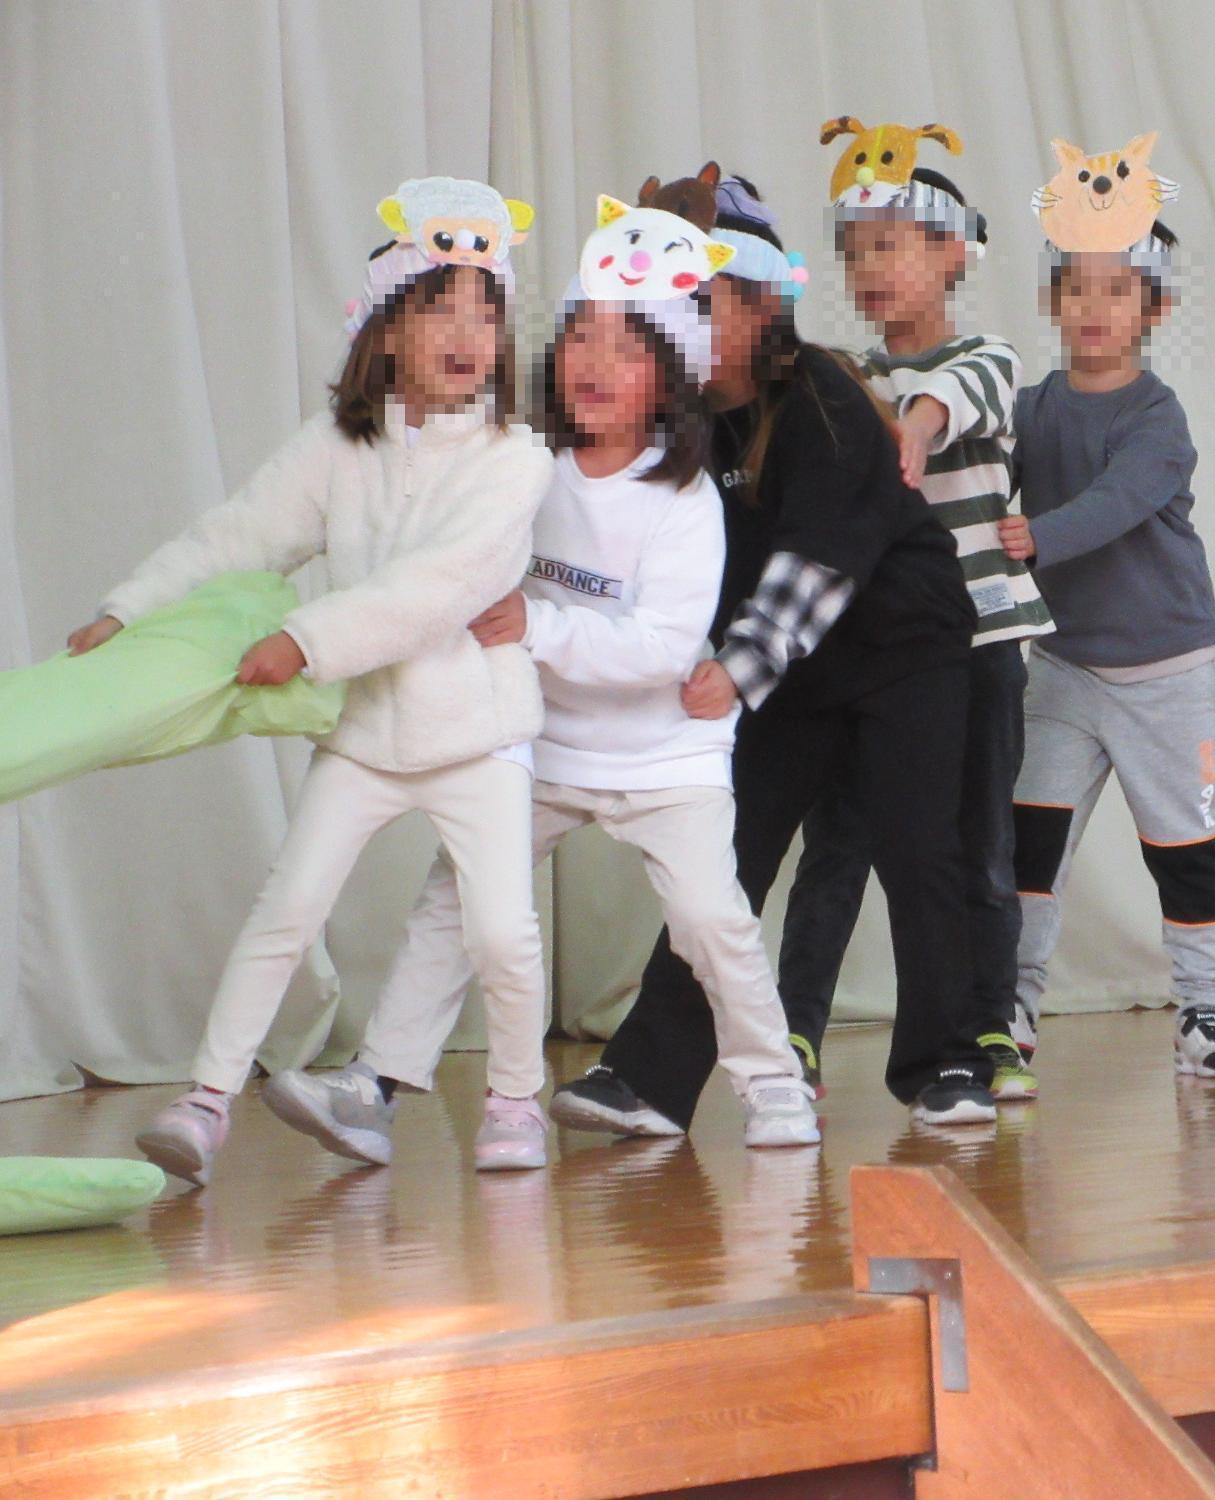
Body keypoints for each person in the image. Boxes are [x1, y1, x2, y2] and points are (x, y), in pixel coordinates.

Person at [262, 193, 818, 1165]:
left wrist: (538, 626)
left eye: (629, 348)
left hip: (664, 754)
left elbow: (660, 647)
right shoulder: (526, 462)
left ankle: (771, 1082)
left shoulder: (684, 499)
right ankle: (375, 1084)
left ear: (673, 380)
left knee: (710, 919)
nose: (596, 363)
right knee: (456, 902)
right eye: (582, 337)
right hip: (541, 740)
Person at [66, 178, 554, 1184]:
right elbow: (237, 535)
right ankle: (206, 1101)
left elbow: (436, 589)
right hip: (368, 732)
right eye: (442, 310)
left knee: (503, 932)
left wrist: (305, 637)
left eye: (486, 314)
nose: (468, 335)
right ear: (388, 329)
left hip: (479, 734)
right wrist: (129, 609)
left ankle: (515, 1102)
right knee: (286, 908)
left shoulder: (516, 459)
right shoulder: (339, 444)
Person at [549, 173, 1001, 1135]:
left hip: (902, 649)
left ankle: (949, 1062)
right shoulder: (681, 421)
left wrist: (737, 670)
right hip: (796, 673)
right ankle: (650, 1078)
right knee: (726, 858)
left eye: (706, 305)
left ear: (762, 307)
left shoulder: (823, 400)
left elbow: (819, 561)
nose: (686, 326)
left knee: (918, 848)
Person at [777, 164, 1051, 1101]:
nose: (869, 270)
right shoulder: (849, 379)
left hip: (981, 647)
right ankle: (794, 1034)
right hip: (877, 660)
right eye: (854, 254)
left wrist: (918, 425)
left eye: (890, 247)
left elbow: (960, 393)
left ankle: (989, 1025)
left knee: (978, 844)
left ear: (951, 255)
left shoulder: (989, 357)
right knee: (838, 845)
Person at [998, 221, 1215, 1080]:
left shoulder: (1157, 416)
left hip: (1167, 673)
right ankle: (1009, 1008)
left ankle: (1206, 1011)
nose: (1095, 307)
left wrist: (1034, 535)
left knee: (1186, 849)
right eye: (1077, 287)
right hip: (1063, 669)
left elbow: (1117, 500)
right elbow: (979, 468)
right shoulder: (1032, 409)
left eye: (1118, 291)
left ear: (1156, 308)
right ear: (1052, 300)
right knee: (1029, 845)